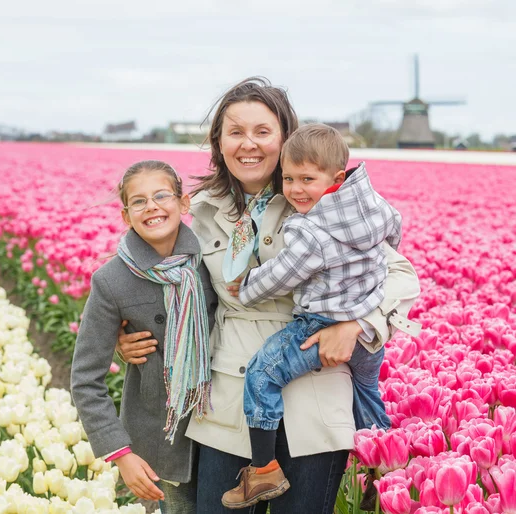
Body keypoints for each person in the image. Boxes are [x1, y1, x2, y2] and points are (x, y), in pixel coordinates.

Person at [117, 77, 421, 514]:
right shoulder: (199, 212)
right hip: (227, 398)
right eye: (235, 132)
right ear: (218, 142)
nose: (249, 145)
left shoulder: (319, 199)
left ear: (285, 137)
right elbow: (158, 281)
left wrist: (358, 326)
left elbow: (401, 274)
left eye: (263, 132)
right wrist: (126, 335)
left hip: (313, 395)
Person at [220, 123, 420, 509]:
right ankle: (384, 473)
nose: (295, 189)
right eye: (289, 178)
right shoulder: (373, 208)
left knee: (262, 373)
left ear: (337, 177)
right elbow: (394, 232)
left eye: (307, 179)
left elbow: (281, 275)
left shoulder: (311, 230)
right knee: (366, 393)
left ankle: (262, 471)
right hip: (368, 338)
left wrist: (246, 286)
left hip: (321, 326)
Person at [71, 160, 218, 514]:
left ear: (184, 204)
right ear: (126, 215)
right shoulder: (112, 280)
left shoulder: (213, 262)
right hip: (159, 441)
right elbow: (85, 379)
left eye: (161, 195)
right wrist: (121, 453)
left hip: (221, 428)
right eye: (139, 201)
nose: (151, 206)